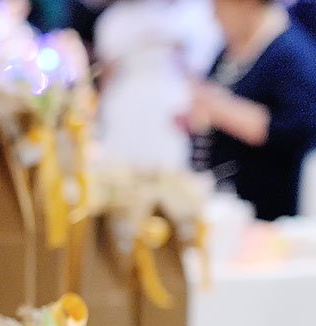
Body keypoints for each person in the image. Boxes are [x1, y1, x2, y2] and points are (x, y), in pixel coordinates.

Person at [192, 0, 316, 220]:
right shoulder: (231, 47)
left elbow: (294, 128)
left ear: (248, 4)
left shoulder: (292, 54)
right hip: (223, 198)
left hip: (266, 208)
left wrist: (219, 108)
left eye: (219, 8)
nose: (215, 17)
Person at [95, 0, 221, 171]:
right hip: (126, 103)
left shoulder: (194, 13)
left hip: (170, 101)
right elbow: (107, 74)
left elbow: (199, 71)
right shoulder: (114, 19)